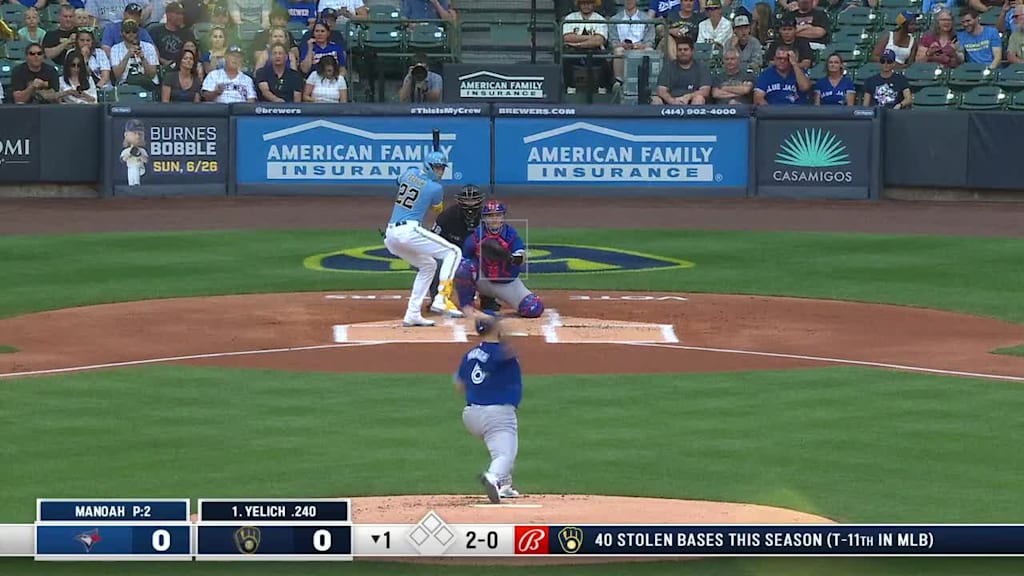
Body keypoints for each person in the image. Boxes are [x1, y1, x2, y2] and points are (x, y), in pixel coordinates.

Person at [383, 151, 463, 326]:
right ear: (428, 166)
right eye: (437, 168)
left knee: (428, 265)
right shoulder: (436, 188)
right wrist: (432, 189)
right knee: (454, 252)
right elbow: (438, 210)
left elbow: (399, 180)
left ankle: (412, 314)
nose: (440, 172)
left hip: (391, 236)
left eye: (442, 168)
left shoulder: (410, 172)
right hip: (408, 230)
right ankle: (442, 297)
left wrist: (420, 179)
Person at [455, 309, 525, 504]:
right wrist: (496, 324)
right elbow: (511, 346)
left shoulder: (470, 355)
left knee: (499, 447)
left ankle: (505, 486)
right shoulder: (501, 352)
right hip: (496, 413)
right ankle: (493, 477)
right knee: (505, 453)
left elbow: (459, 386)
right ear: (495, 329)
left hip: (471, 415)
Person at [454, 200, 545, 319]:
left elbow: (521, 256)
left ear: (503, 217)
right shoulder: (476, 236)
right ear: (484, 218)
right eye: (490, 216)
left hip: (507, 283)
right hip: (484, 280)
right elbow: (462, 260)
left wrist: (510, 258)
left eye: (498, 215)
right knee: (464, 268)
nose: (494, 219)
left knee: (533, 308)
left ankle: (490, 300)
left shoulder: (510, 234)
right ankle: (467, 307)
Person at [428, 185, 491, 313]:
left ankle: (488, 299)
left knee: (491, 260)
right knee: (433, 264)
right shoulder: (447, 217)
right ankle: (438, 300)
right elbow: (432, 240)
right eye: (467, 201)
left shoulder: (487, 217)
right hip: (449, 255)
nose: (470, 204)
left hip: (476, 255)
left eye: (473, 200)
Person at [653, 35, 710, 104]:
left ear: (692, 51)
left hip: (691, 101)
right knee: (655, 100)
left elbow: (705, 91)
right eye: (679, 50)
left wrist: (689, 96)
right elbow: (661, 90)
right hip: (671, 102)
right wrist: (672, 101)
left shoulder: (701, 67)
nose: (682, 52)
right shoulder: (668, 67)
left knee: (699, 98)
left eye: (685, 49)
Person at [120, 119, 149, 186]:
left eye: (140, 134)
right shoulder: (126, 150)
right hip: (130, 168)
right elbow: (122, 160)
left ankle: (137, 184)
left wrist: (139, 154)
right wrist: (130, 153)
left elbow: (146, 160)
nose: (137, 136)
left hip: (140, 168)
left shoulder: (142, 150)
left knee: (135, 169)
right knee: (131, 177)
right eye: (134, 133)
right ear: (126, 135)